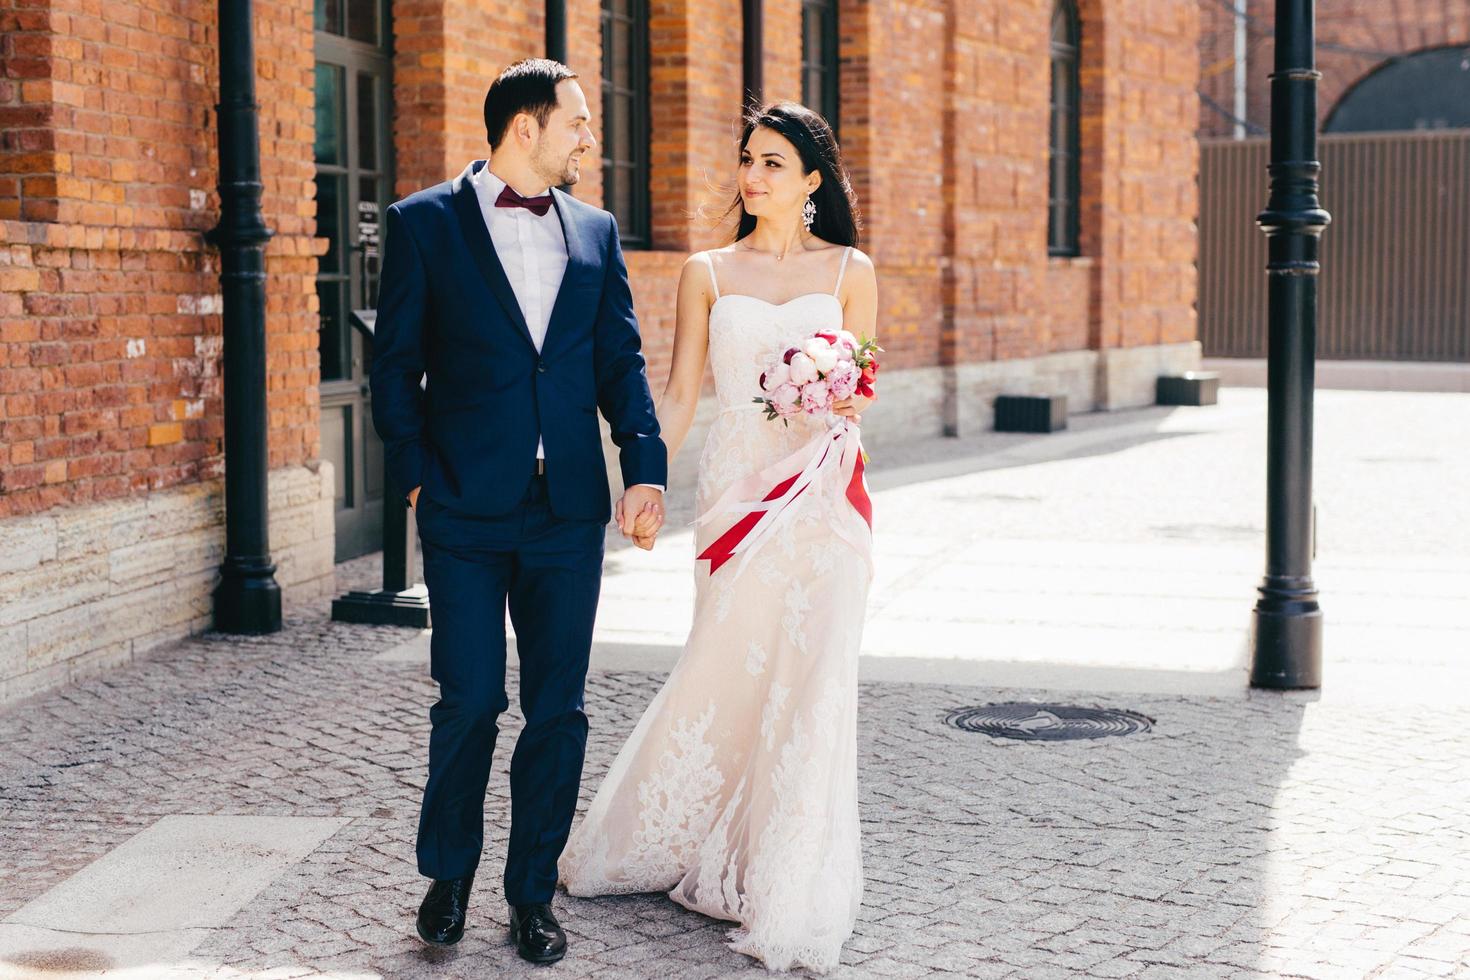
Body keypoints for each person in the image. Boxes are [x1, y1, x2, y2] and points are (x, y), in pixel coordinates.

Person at [558, 101, 878, 974]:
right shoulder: (705, 272)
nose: (753, 175)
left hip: (821, 503)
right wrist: (645, 478)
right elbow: (678, 393)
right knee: (725, 668)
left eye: (774, 162)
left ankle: (786, 873)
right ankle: (677, 834)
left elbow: (863, 388)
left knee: (810, 685)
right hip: (737, 500)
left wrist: (840, 398)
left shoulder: (852, 269)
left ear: (813, 181)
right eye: (748, 159)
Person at [368, 58, 668, 965]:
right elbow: (395, 365)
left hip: (567, 509)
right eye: (578, 119)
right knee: (468, 699)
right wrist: (418, 475)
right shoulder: (424, 225)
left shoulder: (596, 230)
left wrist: (644, 466)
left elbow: (619, 358)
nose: (590, 135)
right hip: (462, 506)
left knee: (558, 709)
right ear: (525, 128)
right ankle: (448, 876)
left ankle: (530, 894)